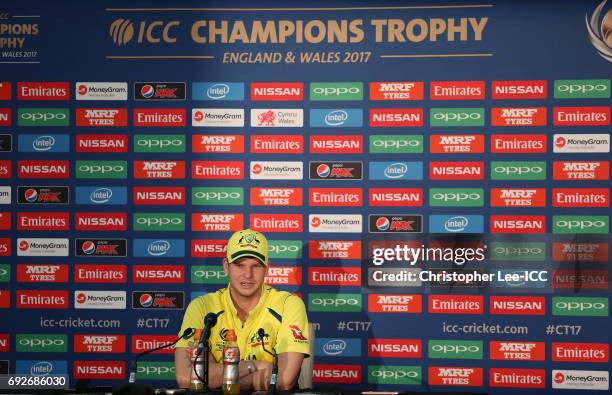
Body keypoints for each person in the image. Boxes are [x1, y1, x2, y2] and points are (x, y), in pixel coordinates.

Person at [174, 229, 310, 390]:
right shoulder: (202, 307)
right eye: (239, 265)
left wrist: (215, 377)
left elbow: (284, 380)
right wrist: (253, 366)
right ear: (226, 266)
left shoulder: (289, 304)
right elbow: (184, 377)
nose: (248, 274)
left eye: (256, 266)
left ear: (267, 268)